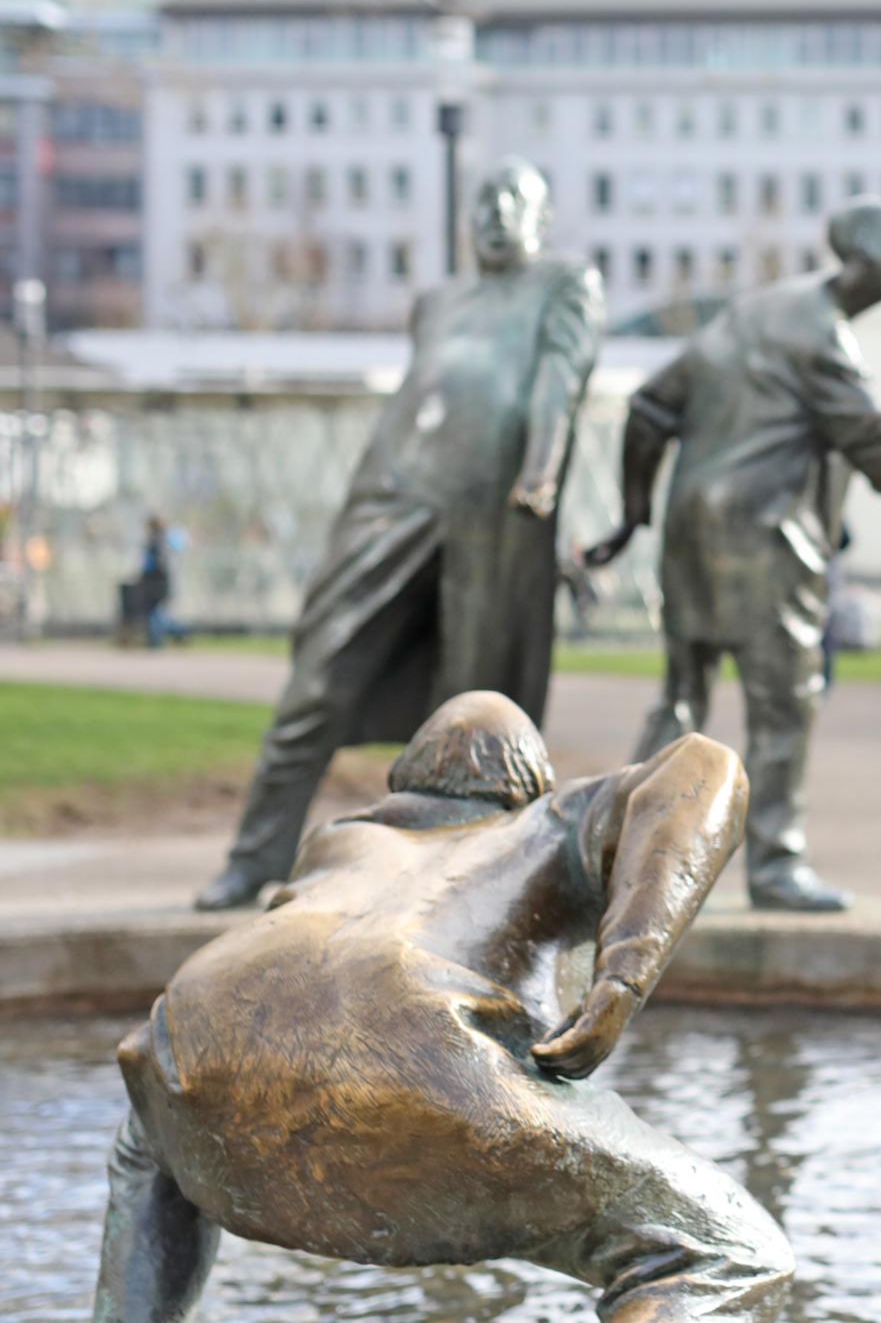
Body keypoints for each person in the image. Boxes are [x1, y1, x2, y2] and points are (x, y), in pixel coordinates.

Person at [94, 693, 793, 1322]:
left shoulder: (341, 840)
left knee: (147, 1132)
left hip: (187, 1060)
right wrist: (626, 972)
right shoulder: (549, 821)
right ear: (524, 788)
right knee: (729, 1252)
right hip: (428, 1070)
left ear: (407, 783)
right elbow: (703, 768)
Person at [584, 198, 881, 913]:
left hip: (692, 531)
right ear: (857, 250)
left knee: (681, 694)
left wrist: (636, 514)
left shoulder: (755, 312)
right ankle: (776, 861)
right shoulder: (819, 334)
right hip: (766, 538)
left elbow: (648, 411)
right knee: (783, 703)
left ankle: (618, 857)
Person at [193, 160, 604, 912]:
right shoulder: (438, 301)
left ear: (543, 221)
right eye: (483, 197)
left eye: (515, 199)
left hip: (492, 512)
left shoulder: (565, 283)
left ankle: (462, 886)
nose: (493, 211)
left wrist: (541, 472)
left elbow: (559, 379)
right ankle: (254, 857)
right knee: (320, 672)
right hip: (395, 494)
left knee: (474, 707)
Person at [138, 516, 188, 648]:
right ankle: (175, 633)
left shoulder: (155, 543)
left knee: (155, 613)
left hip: (156, 582)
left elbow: (153, 565)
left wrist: (144, 576)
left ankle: (159, 640)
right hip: (161, 581)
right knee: (157, 613)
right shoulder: (165, 541)